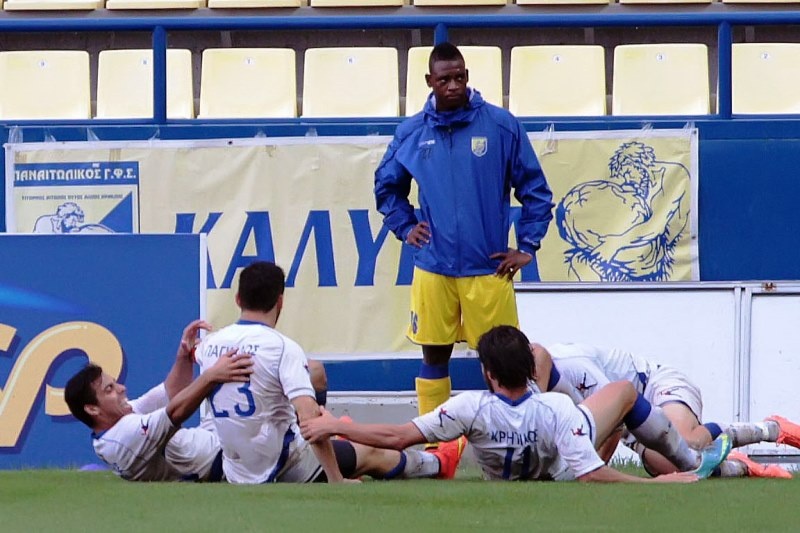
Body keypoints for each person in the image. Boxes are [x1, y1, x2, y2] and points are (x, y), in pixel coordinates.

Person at [374, 42, 555, 424]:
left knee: (503, 360)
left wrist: (527, 246)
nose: (453, 85)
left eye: (459, 77)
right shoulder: (412, 133)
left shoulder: (501, 125)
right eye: (444, 79)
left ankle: (511, 436)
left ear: (468, 77)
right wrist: (405, 225)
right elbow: (386, 187)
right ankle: (434, 444)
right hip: (434, 267)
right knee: (434, 354)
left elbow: (535, 189)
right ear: (430, 81)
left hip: (488, 268)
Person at [300, 326, 732, 483]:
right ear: (529, 366)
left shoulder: (470, 408)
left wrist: (337, 426)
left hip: (510, 472)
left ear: (488, 373)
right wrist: (655, 484)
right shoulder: (555, 408)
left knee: (414, 451)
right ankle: (696, 457)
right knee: (622, 393)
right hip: (561, 471)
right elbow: (593, 474)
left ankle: (697, 456)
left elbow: (397, 435)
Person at [194, 260, 466, 485]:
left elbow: (192, 360)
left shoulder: (209, 346)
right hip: (282, 465)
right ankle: (438, 463)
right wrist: (337, 479)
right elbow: (310, 418)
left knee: (314, 372)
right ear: (280, 301)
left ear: (238, 299)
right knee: (370, 453)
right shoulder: (282, 347)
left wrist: (188, 351)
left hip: (233, 465)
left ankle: (338, 433)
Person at [532, 341, 799, 479]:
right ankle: (739, 467)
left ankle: (771, 428)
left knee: (686, 442)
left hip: (656, 387)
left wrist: (589, 470)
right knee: (678, 469)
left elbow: (615, 420)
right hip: (635, 424)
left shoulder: (572, 366)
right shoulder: (534, 393)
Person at [65, 319, 255, 482]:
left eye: (114, 384)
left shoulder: (115, 421)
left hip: (214, 437)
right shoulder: (125, 436)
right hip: (227, 460)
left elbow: (170, 391)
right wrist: (211, 376)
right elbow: (175, 412)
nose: (122, 389)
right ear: (92, 409)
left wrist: (184, 357)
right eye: (110, 389)